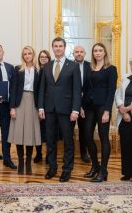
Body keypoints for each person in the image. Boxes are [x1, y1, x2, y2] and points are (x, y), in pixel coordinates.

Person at [38, 37, 81, 182]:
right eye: (55, 46)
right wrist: (41, 107)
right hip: (49, 109)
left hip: (67, 110)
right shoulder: (47, 66)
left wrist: (75, 109)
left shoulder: (73, 66)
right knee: (50, 140)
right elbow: (42, 89)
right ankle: (52, 168)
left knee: (68, 141)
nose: (58, 48)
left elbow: (77, 89)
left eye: (60, 46)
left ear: (64, 48)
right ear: (52, 48)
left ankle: (67, 170)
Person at [82, 43, 117, 182]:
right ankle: (95, 167)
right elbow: (85, 89)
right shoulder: (89, 68)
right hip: (89, 106)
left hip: (103, 107)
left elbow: (111, 91)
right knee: (87, 136)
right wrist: (81, 106)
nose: (97, 53)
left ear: (105, 52)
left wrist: (107, 111)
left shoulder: (111, 69)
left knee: (103, 138)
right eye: (95, 50)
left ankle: (103, 171)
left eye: (100, 50)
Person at [8, 46, 41, 175]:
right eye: (25, 54)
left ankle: (28, 162)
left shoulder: (39, 70)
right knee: (19, 133)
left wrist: (41, 107)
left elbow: (41, 90)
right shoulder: (18, 69)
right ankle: (21, 161)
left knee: (30, 133)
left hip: (33, 101)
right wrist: (12, 108)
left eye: (29, 53)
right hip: (19, 102)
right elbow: (13, 88)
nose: (27, 56)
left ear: (33, 55)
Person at [115, 57, 132, 186]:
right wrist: (122, 110)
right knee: (126, 145)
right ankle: (128, 172)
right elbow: (117, 95)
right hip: (124, 118)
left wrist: (128, 109)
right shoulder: (126, 79)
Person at [72, 45, 91, 163]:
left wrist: (82, 105)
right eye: (76, 52)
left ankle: (84, 153)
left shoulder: (91, 66)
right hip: (70, 104)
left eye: (81, 52)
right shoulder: (68, 65)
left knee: (84, 130)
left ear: (84, 53)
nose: (79, 54)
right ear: (73, 54)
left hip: (86, 104)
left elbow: (92, 87)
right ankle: (69, 154)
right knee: (68, 130)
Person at [33, 50, 51, 164]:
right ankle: (38, 154)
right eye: (41, 57)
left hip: (49, 105)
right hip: (37, 105)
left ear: (49, 58)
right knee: (37, 132)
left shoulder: (52, 70)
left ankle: (49, 155)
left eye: (45, 57)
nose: (43, 58)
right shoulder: (35, 71)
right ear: (38, 59)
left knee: (49, 132)